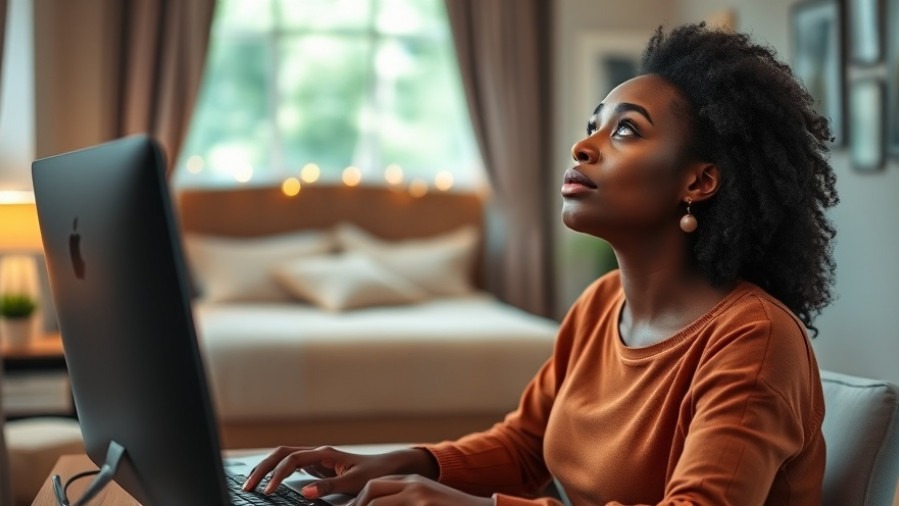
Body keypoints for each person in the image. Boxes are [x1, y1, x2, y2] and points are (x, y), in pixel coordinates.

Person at [243, 22, 838, 505]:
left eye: (626, 130)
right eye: (592, 126)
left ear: (699, 181)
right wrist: (406, 461)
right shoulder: (602, 304)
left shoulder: (752, 340)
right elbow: (527, 447)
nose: (583, 146)